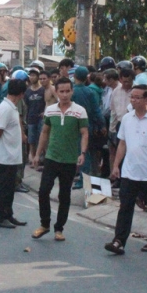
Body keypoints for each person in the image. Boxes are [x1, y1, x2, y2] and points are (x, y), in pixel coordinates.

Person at [105, 85, 147, 255]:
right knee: (125, 207)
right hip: (129, 172)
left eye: (137, 97)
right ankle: (119, 241)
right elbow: (122, 143)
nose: (133, 100)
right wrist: (116, 165)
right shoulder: (126, 119)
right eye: (132, 97)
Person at [31, 78, 89, 241]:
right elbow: (44, 132)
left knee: (64, 195)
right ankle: (44, 224)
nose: (64, 94)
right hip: (51, 157)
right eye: (61, 91)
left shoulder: (80, 111)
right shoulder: (50, 110)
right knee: (43, 191)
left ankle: (59, 228)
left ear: (72, 91)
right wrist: (37, 154)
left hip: (70, 160)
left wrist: (82, 153)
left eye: (67, 91)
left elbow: (84, 133)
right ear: (56, 92)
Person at [0, 79, 28, 228]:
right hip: (4, 156)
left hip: (12, 155)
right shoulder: (5, 108)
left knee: (10, 188)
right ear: (22, 94)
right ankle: (0, 217)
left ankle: (8, 214)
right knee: (3, 189)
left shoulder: (12, 107)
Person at [25, 67, 47, 161]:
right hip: (31, 118)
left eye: (34, 75)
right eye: (30, 75)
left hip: (41, 119)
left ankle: (41, 157)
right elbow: (26, 105)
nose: (32, 77)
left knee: (41, 138)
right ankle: (32, 156)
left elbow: (47, 102)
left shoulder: (43, 90)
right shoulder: (28, 91)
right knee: (31, 140)